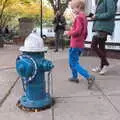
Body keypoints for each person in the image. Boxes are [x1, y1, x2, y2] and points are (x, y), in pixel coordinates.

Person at [65, 0, 95, 89]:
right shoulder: (84, 18)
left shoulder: (78, 18)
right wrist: (82, 40)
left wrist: (69, 33)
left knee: (73, 63)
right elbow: (85, 32)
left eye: (72, 8)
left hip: (75, 44)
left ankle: (88, 76)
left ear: (78, 7)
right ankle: (74, 77)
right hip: (80, 44)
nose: (72, 10)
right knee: (73, 62)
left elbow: (77, 31)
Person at [91, 0, 118, 75]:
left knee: (93, 45)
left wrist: (97, 16)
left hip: (103, 27)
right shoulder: (101, 1)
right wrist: (95, 16)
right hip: (100, 26)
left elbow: (110, 13)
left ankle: (106, 63)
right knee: (101, 47)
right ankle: (102, 67)